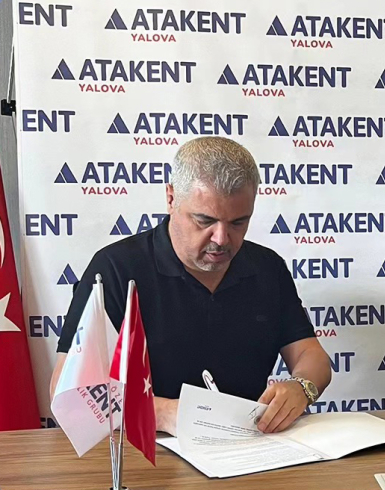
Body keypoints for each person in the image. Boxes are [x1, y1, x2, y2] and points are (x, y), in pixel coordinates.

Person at [50, 136, 331, 435]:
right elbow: (67, 394)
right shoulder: (116, 268)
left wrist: (302, 387)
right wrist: (162, 414)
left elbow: (311, 356)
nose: (221, 239)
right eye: (204, 220)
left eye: (238, 223)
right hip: (145, 447)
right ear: (171, 198)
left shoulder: (267, 268)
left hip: (248, 445)